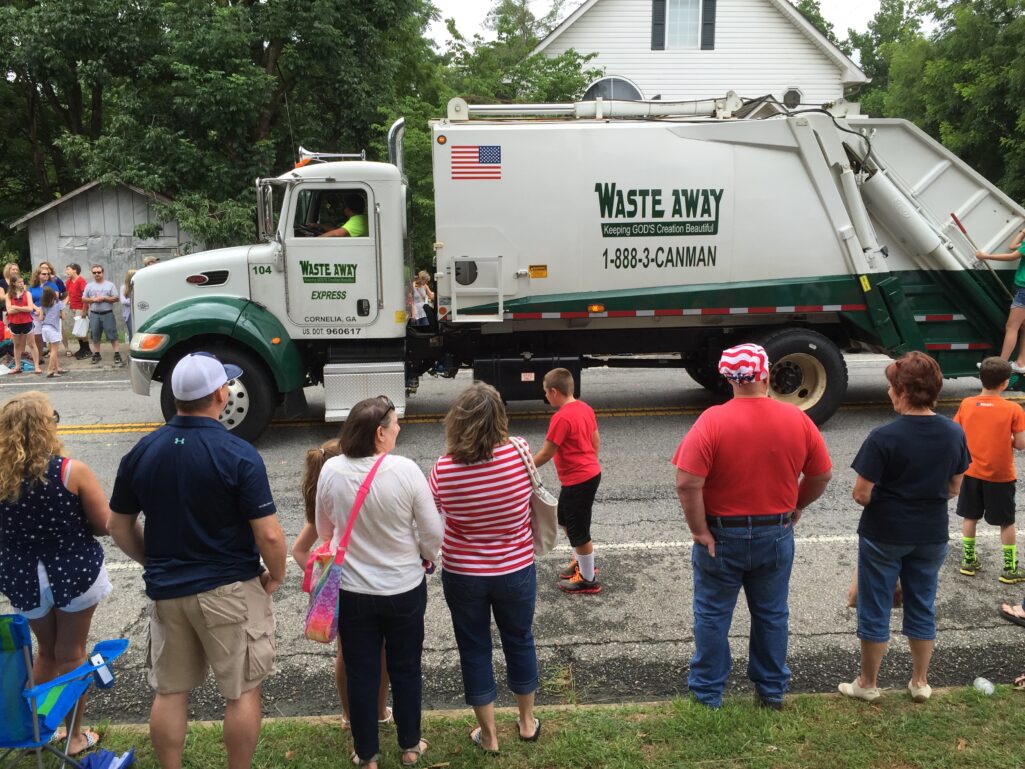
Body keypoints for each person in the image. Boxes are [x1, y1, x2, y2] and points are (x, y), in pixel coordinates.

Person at [107, 352, 287, 769]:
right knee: (241, 690)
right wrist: (276, 574)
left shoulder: (143, 451)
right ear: (220, 394)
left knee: (170, 692)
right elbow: (270, 533)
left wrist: (153, 559)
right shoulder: (238, 453)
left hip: (169, 592)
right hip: (229, 588)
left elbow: (118, 525)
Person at [674, 343, 832, 710]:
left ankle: (708, 693)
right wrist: (796, 504)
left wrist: (699, 531)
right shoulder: (796, 419)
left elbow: (687, 482)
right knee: (772, 613)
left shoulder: (712, 421)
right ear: (765, 374)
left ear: (728, 377)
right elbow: (821, 475)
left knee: (712, 614)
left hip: (721, 534)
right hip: (774, 532)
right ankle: (771, 691)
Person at [316, 396, 441, 768]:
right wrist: (422, 554)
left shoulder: (331, 470)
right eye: (396, 424)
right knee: (406, 668)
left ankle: (366, 753)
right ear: (379, 433)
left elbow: (326, 531)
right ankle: (409, 745)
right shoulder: (406, 470)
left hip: (353, 591)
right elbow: (433, 535)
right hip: (403, 587)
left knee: (361, 671)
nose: (400, 428)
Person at [839, 351, 969, 704]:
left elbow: (861, 494)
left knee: (875, 605)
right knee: (922, 604)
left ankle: (867, 683)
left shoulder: (883, 437)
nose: (887, 393)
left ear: (904, 391)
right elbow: (953, 489)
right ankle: (920, 681)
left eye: (890, 387)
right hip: (930, 533)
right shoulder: (953, 432)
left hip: (884, 533)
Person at [429, 383, 542, 754]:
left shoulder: (444, 470)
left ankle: (489, 735)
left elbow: (433, 519)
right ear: (500, 418)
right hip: (516, 568)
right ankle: (526, 723)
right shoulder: (520, 451)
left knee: (474, 648)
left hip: (464, 573)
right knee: (519, 639)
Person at [0, 391, 112, 756]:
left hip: (23, 577)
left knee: (45, 653)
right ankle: (75, 735)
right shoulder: (70, 471)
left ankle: (37, 732)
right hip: (74, 571)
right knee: (73, 652)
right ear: (44, 428)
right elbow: (103, 524)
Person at [292, 437, 393, 732]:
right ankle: (377, 710)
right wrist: (325, 584)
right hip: (362, 587)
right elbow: (299, 549)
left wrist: (320, 583)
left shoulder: (324, 510)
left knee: (347, 654)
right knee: (379, 651)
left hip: (345, 591)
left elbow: (299, 551)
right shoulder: (344, 505)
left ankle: (351, 716)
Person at [953, 356, 1025, 583]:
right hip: (1000, 475)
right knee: (1006, 521)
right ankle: (1010, 567)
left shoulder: (966, 404)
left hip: (971, 472)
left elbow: (957, 434)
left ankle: (968, 560)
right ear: (1005, 383)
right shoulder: (1013, 409)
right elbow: (1021, 444)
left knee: (970, 516)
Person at [533, 368, 603, 594]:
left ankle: (588, 579)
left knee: (579, 529)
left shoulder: (560, 418)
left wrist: (522, 466)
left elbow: (546, 453)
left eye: (545, 392)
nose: (545, 396)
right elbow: (595, 441)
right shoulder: (585, 408)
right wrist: (588, 461)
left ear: (554, 391)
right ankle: (581, 561)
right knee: (564, 518)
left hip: (579, 480)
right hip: (587, 476)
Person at [975, 226, 1025, 372]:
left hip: (1023, 289)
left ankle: (1000, 365)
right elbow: (1013, 247)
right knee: (1023, 327)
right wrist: (1022, 233)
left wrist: (985, 256)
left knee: (1012, 327)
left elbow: (1012, 255)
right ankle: (1021, 363)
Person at [81, 265, 121, 367]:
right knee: (95, 335)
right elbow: (84, 299)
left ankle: (117, 354)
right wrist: (93, 300)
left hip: (107, 313)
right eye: (94, 273)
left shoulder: (110, 285)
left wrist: (104, 298)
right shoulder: (89, 286)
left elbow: (116, 298)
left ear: (102, 273)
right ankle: (97, 354)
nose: (97, 274)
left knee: (113, 335)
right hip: (94, 314)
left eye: (99, 272)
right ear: (92, 274)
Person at [6, 274, 41, 374]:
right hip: (14, 322)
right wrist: (23, 308)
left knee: (32, 344)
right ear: (13, 283)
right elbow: (9, 311)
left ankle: (37, 366)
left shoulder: (27, 294)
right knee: (17, 345)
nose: (22, 284)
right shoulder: (9, 295)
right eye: (19, 282)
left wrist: (15, 307)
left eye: (22, 282)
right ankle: (17, 367)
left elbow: (30, 308)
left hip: (27, 321)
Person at [29, 264, 61, 364]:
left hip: (49, 315)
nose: (46, 275)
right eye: (43, 274)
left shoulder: (53, 285)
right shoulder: (32, 287)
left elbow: (55, 300)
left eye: (47, 274)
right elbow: (29, 301)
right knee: (37, 337)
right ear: (38, 275)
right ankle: (39, 357)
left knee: (52, 338)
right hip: (35, 314)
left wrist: (41, 309)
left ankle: (53, 361)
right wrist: (37, 309)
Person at [39, 286, 67, 378]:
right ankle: (50, 370)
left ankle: (57, 368)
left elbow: (41, 318)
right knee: (54, 351)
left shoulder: (43, 304)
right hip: (53, 328)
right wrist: (57, 314)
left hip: (45, 328)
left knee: (52, 349)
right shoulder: (59, 303)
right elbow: (63, 317)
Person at [65, 263, 90, 359]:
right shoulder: (68, 282)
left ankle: (87, 350)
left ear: (75, 270)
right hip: (72, 307)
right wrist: (63, 305)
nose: (66, 271)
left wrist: (84, 310)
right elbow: (68, 295)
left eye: (68, 269)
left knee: (82, 330)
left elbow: (85, 297)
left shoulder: (81, 281)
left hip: (80, 308)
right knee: (77, 330)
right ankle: (82, 349)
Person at [121, 269, 137, 340]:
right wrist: (134, 300)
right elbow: (123, 301)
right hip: (129, 314)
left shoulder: (139, 285)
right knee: (132, 332)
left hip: (138, 312)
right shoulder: (124, 287)